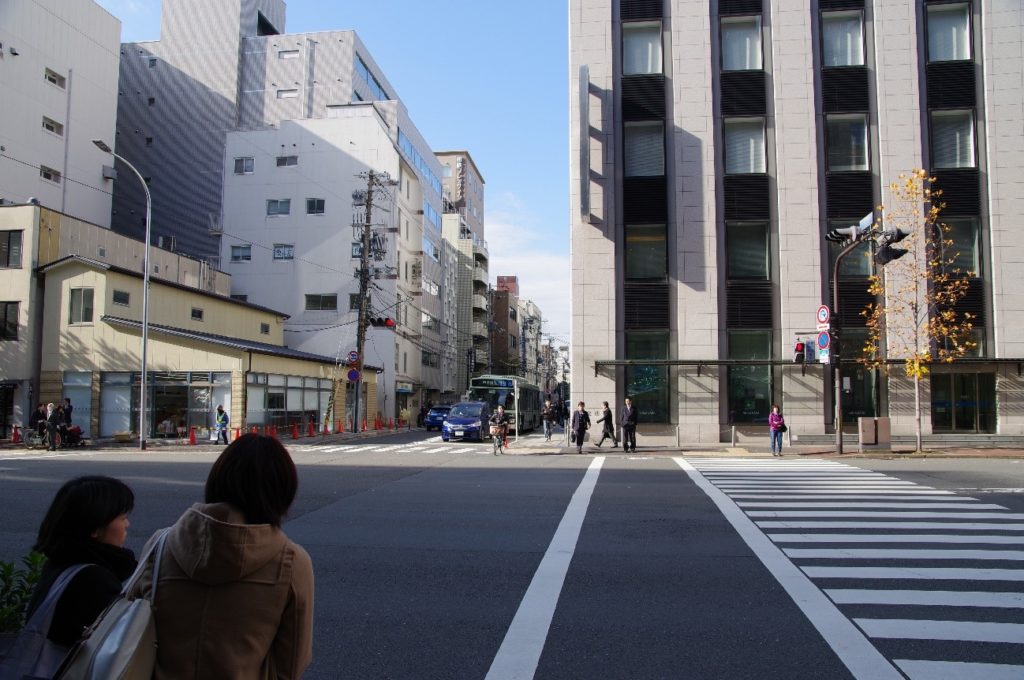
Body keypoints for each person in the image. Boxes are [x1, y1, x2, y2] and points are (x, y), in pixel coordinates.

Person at [130, 434, 314, 679]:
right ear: (282, 492)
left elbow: (132, 626)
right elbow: (290, 665)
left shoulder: (160, 544)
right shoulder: (291, 562)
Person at [24, 476, 137, 656]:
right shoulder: (92, 579)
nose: (127, 524)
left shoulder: (62, 562)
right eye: (122, 517)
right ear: (94, 528)